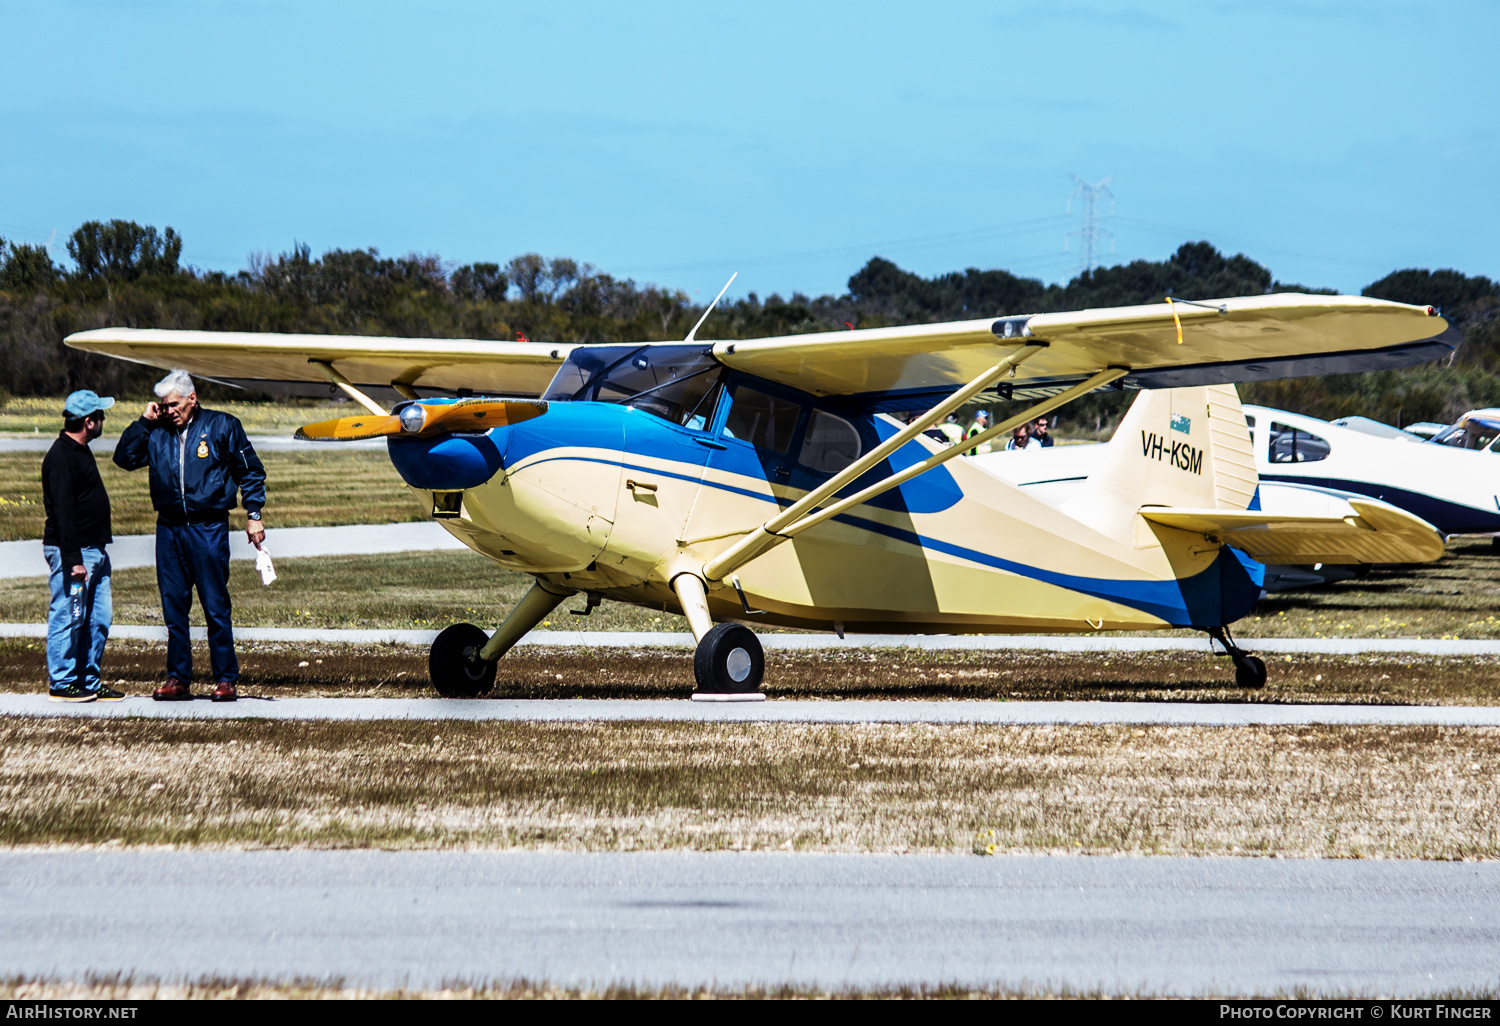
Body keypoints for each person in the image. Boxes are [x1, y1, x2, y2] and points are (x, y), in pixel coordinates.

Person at [113, 369, 267, 702]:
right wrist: (144, 422)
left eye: (174, 404)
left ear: (192, 399)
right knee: (173, 608)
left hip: (208, 527)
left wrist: (253, 515)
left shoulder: (223, 426)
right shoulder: (157, 432)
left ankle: (225, 678)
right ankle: (178, 677)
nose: (169, 411)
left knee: (215, 606)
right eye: (164, 405)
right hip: (169, 528)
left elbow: (251, 472)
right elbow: (124, 458)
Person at [41, 391, 122, 702]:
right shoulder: (62, 457)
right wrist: (73, 559)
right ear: (90, 422)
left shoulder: (78, 449)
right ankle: (61, 682)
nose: (103, 420)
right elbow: (62, 512)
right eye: (100, 416)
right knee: (68, 615)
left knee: (98, 618)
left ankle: (87, 679)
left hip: (94, 550)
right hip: (74, 553)